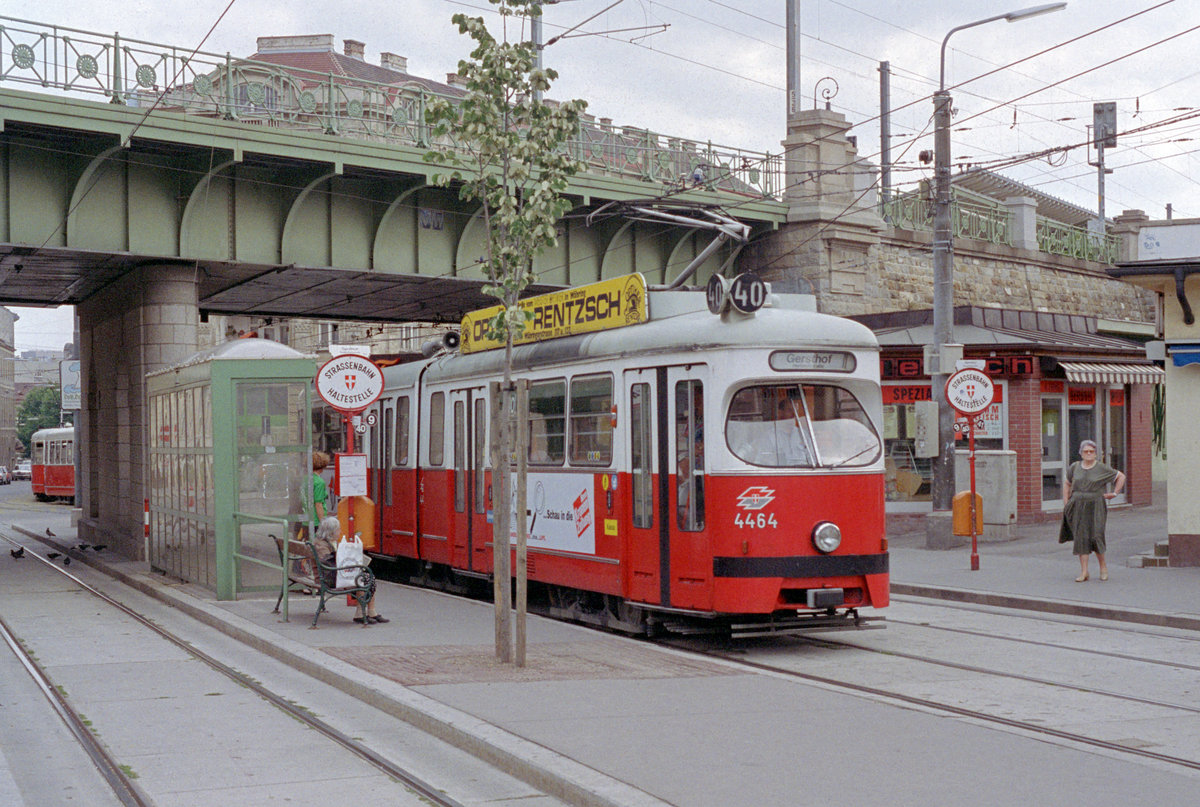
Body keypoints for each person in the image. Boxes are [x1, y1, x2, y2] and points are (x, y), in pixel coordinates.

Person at [1059, 440, 1125, 582]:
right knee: (1081, 537)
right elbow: (1067, 483)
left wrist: (1115, 494)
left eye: (1091, 451)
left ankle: (1103, 568)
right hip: (1077, 505)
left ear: (1096, 454)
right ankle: (1084, 572)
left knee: (1096, 535)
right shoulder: (1075, 467)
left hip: (1096, 505)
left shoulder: (1101, 468)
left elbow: (1121, 476)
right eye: (1085, 451)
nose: (1088, 454)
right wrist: (1066, 502)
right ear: (1081, 453)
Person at [312, 515, 387, 624]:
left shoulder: (322, 542)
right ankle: (361, 613)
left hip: (327, 576)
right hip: (327, 579)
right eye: (338, 529)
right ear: (331, 531)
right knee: (365, 578)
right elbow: (329, 564)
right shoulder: (321, 545)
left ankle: (370, 611)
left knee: (366, 576)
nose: (340, 531)